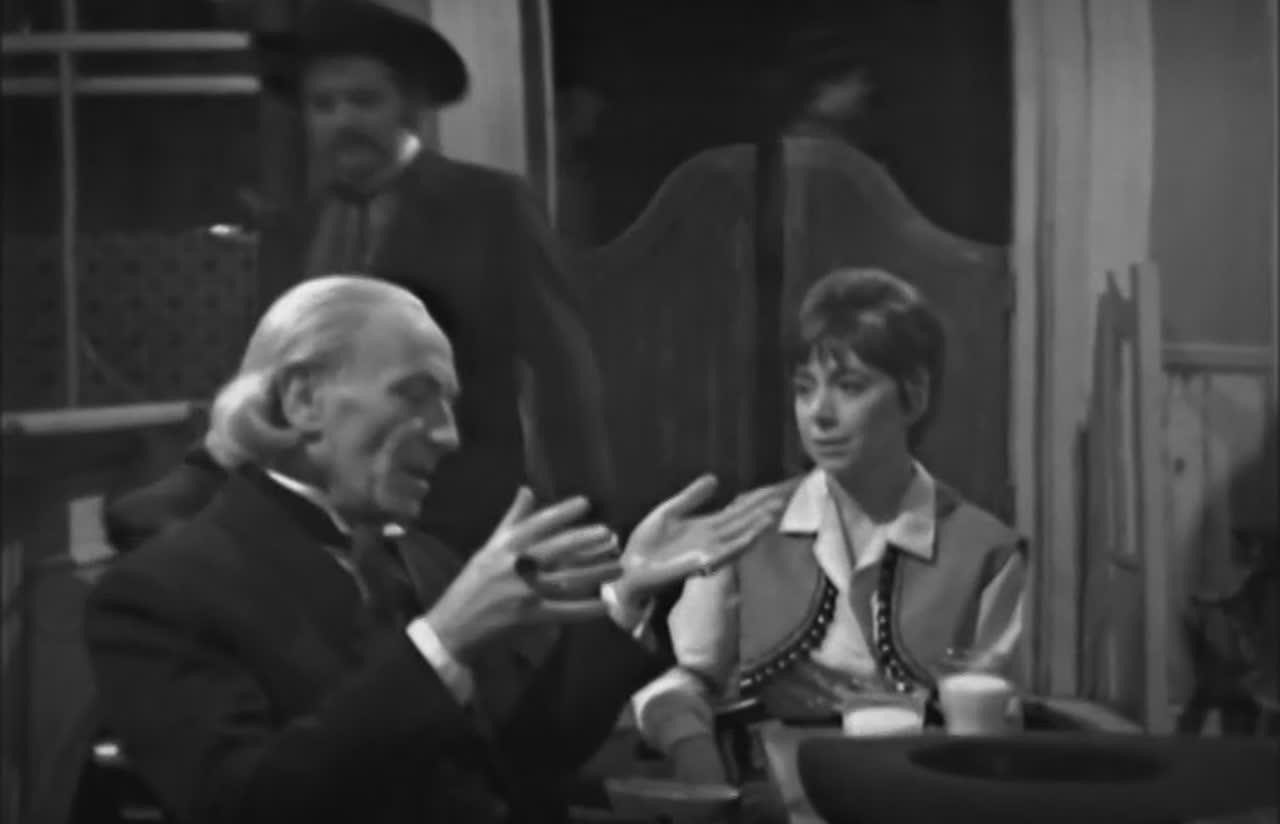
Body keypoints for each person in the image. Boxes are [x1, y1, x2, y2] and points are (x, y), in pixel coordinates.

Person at [84, 276, 784, 824]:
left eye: (448, 404)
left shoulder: (423, 559)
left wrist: (625, 595)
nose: (447, 435)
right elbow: (249, 806)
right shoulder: (158, 595)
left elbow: (516, 764)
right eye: (415, 396)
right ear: (302, 399)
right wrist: (442, 640)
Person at [632, 268, 1027, 785]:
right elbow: (686, 679)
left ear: (914, 396)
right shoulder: (751, 527)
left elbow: (1000, 718)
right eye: (804, 389)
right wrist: (693, 751)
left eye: (849, 387)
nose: (819, 413)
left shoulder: (985, 552)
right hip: (779, 800)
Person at [248, 0, 614, 553]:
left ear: (411, 107)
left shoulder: (489, 206)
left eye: (365, 100)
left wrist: (584, 513)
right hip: (323, 531)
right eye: (323, 105)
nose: (343, 121)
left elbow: (563, 366)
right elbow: (265, 382)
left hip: (456, 519)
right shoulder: (289, 232)